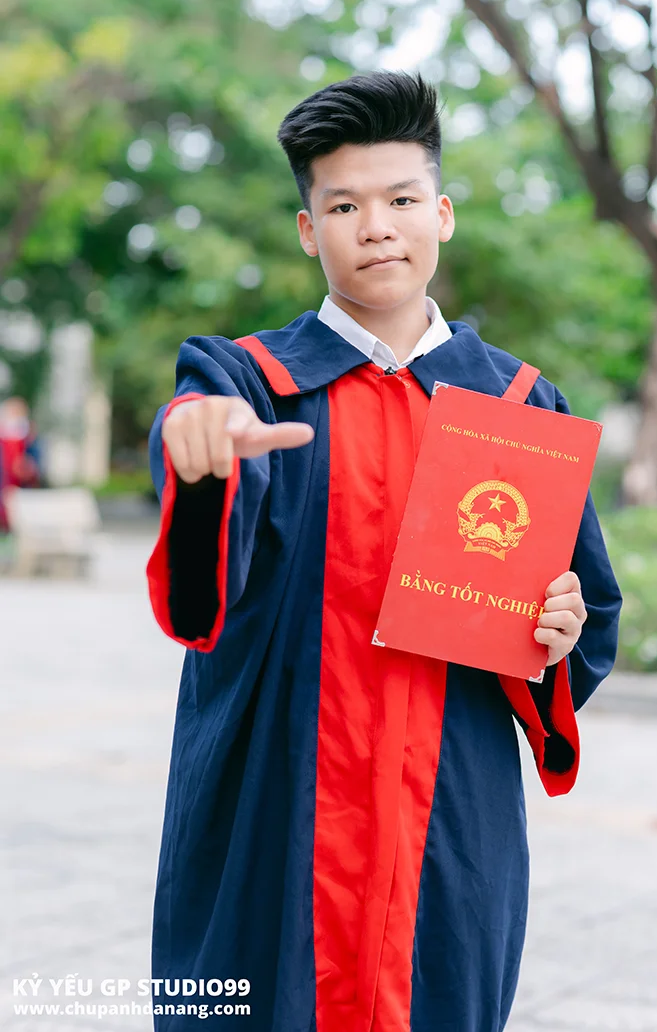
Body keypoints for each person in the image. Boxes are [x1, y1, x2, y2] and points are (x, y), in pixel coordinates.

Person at [146, 71, 622, 1032]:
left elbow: (581, 618)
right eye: (344, 206)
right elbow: (200, 569)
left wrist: (557, 632)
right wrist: (199, 459)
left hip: (449, 816)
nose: (376, 227)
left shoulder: (518, 407)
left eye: (402, 200)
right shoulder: (250, 384)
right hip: (274, 806)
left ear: (441, 215)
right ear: (307, 229)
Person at [0, 396, 41, 533]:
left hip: (23, 490)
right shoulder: (3, 439)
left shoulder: (30, 439)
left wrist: (29, 467)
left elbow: (35, 466)